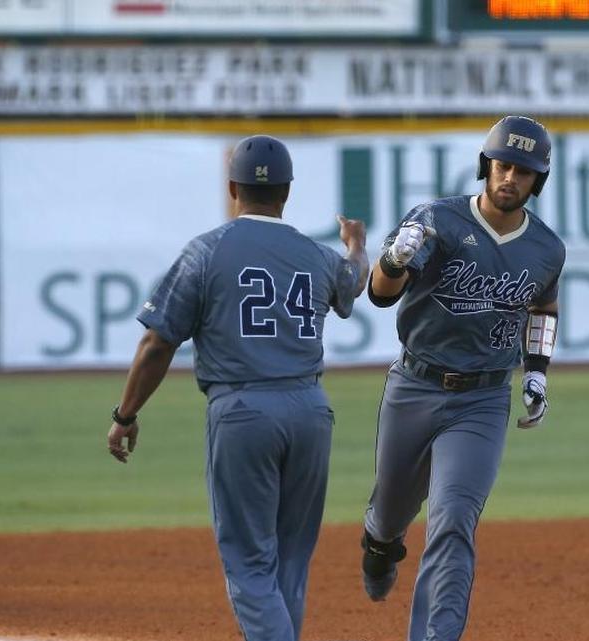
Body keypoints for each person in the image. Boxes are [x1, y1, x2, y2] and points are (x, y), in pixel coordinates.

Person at [106, 134, 368, 641]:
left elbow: (158, 343)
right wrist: (356, 246)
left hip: (243, 411)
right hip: (312, 412)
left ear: (232, 188)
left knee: (250, 565)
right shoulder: (315, 254)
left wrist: (125, 414)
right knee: (291, 560)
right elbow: (353, 281)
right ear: (287, 193)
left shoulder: (206, 252)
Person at [359, 116, 566, 640]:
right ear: (485, 166)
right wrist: (391, 257)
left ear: (537, 180)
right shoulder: (436, 220)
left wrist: (537, 372)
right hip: (414, 385)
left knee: (452, 521)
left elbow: (543, 307)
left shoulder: (546, 248)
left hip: (483, 399)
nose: (510, 178)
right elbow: (382, 294)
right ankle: (380, 547)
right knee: (391, 513)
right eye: (503, 165)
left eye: (523, 171)